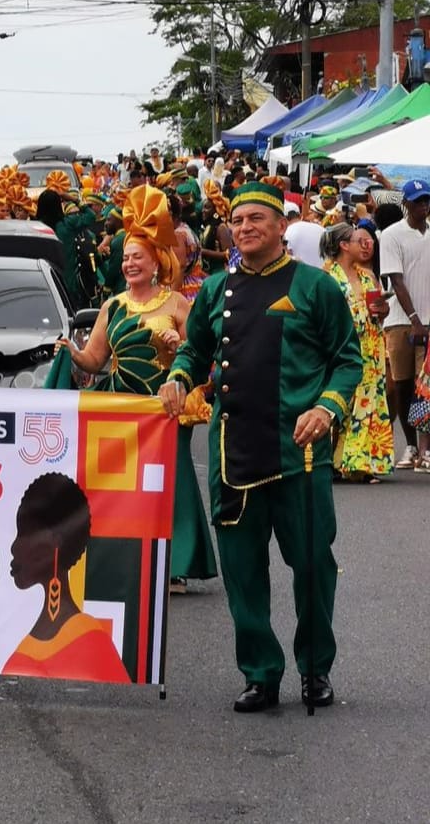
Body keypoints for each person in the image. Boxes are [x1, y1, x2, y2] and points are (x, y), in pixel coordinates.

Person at [160, 181, 362, 713]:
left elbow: (347, 361)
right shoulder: (214, 292)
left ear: (280, 227)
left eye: (257, 219)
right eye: (238, 219)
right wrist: (180, 377)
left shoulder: (316, 288)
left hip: (301, 456)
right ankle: (260, 674)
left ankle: (315, 668)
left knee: (314, 564)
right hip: (234, 456)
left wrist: (327, 408)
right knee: (244, 574)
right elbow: (195, 351)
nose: (245, 227)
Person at [53, 185, 215, 591]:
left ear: (156, 260)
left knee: (168, 482)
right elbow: (95, 360)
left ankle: (174, 562)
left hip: (166, 408)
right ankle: (122, 555)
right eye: (124, 258)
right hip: (122, 409)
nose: (128, 264)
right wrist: (71, 353)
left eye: (136, 257)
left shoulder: (177, 303)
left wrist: (180, 346)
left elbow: (201, 355)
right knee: (121, 483)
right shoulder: (113, 306)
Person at [2, 472, 130, 683]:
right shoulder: (33, 634)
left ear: (55, 541)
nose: (14, 547)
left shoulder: (89, 641)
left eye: (24, 533)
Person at [321, 223, 393, 482]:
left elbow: (379, 314)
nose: (363, 244)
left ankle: (357, 463)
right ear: (343, 245)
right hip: (341, 346)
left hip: (371, 347)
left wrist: (382, 310)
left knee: (367, 404)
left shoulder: (367, 277)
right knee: (342, 402)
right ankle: (332, 459)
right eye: (356, 240)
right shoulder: (327, 277)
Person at [379, 179, 430, 470]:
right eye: (418, 201)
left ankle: (425, 450)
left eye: (426, 200)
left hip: (428, 322)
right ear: (406, 204)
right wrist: (414, 320)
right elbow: (396, 280)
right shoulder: (391, 235)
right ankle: (410, 445)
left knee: (426, 388)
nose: (424, 205)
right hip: (401, 321)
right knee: (403, 385)